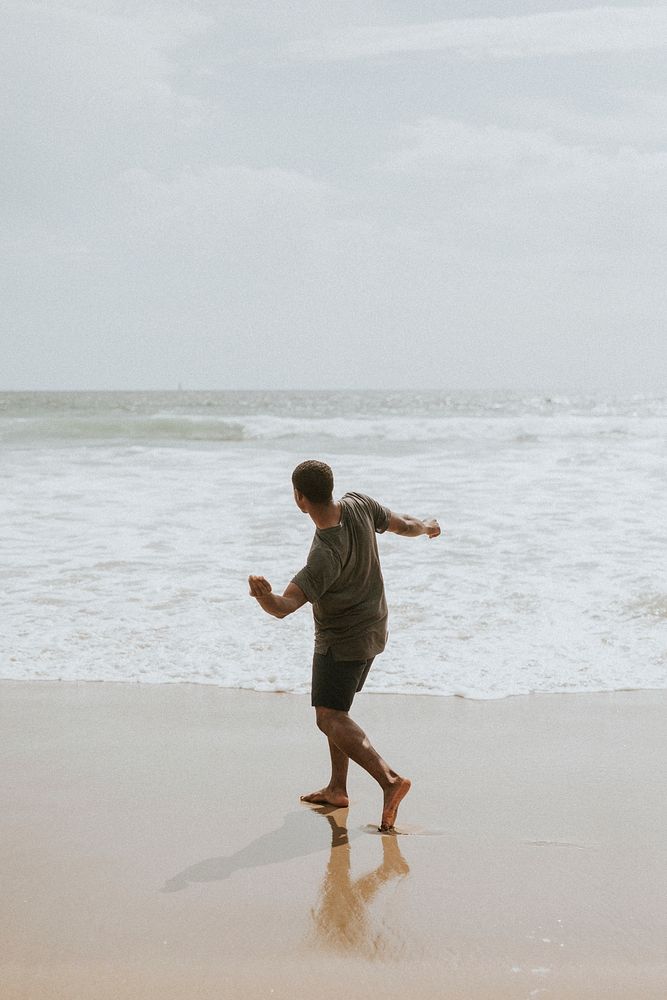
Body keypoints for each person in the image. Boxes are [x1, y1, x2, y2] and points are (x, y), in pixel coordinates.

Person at [248, 460, 440, 831]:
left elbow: (283, 607)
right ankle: (337, 788)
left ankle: (390, 780)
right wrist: (428, 526)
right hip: (374, 628)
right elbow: (405, 524)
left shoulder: (324, 554)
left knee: (329, 717)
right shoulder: (359, 504)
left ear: (299, 498)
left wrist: (262, 596)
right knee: (338, 710)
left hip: (341, 640)